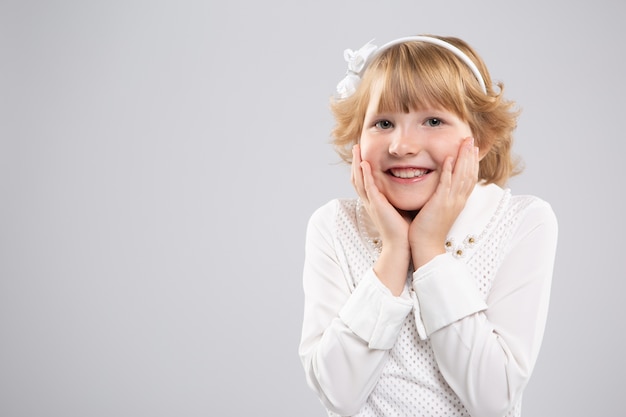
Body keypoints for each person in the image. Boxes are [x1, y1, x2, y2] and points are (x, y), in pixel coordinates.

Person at [298, 34, 558, 417]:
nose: (401, 146)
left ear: (480, 140)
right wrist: (393, 254)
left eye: (433, 121)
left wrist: (430, 249)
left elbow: (493, 398)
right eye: (383, 122)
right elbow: (339, 394)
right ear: (358, 137)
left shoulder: (522, 222)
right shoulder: (333, 225)